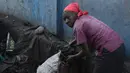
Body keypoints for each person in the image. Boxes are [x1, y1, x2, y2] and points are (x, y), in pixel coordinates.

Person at [63, 2, 125, 73]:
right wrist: (74, 41)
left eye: (68, 17)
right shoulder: (86, 17)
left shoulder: (77, 27)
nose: (66, 21)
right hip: (120, 46)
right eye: (64, 19)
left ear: (76, 14)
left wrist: (73, 57)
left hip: (109, 52)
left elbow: (86, 52)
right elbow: (89, 34)